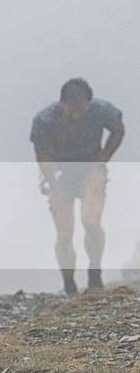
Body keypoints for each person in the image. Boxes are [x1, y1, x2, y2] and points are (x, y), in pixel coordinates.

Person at [31, 78, 125, 295]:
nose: (76, 116)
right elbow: (42, 154)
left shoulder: (102, 110)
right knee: (64, 233)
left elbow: (119, 130)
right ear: (61, 103)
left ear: (89, 103)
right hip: (60, 173)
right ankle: (69, 283)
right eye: (71, 110)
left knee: (91, 221)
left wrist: (101, 161)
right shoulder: (45, 119)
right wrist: (53, 185)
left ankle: (94, 271)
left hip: (90, 169)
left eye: (81, 110)